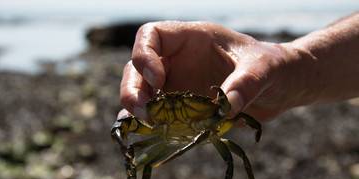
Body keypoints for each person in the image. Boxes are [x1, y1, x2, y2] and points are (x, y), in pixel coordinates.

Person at [118, 12, 359, 124]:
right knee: (124, 125)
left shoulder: (219, 115)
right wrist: (292, 64)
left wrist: (290, 63)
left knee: (233, 158)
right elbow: (120, 130)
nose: (178, 108)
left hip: (212, 120)